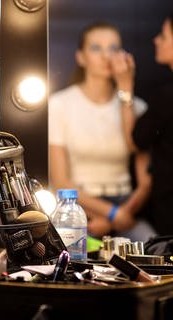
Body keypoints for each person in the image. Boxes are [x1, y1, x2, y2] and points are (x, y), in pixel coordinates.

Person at [49, 21, 157, 242]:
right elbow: (60, 180)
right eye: (96, 48)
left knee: (152, 245)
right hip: (78, 207)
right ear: (81, 57)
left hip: (127, 205)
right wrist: (110, 213)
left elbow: (146, 181)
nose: (106, 56)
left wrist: (118, 216)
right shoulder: (60, 104)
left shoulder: (137, 107)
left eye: (114, 48)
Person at [132, 13, 173, 236]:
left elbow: (135, 141)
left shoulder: (166, 97)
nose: (156, 40)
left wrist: (125, 88)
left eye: (164, 36)